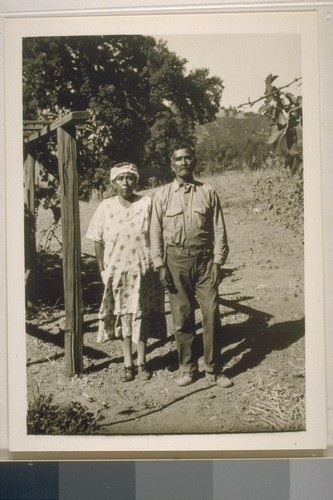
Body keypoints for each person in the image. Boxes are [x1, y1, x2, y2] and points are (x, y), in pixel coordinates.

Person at [150, 144, 233, 388]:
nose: (184, 162)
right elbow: (154, 232)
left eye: (188, 158)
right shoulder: (162, 195)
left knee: (211, 313)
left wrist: (219, 261)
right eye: (179, 159)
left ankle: (214, 369)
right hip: (176, 261)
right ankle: (187, 367)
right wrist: (160, 264)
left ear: (194, 162)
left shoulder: (208, 192)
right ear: (172, 164)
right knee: (182, 316)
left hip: (206, 261)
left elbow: (219, 229)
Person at [86, 162, 166, 382]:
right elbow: (97, 240)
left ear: (136, 181)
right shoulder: (106, 206)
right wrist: (102, 268)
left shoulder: (147, 203)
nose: (125, 183)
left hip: (144, 271)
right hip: (118, 272)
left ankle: (142, 362)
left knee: (142, 315)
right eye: (120, 179)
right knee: (124, 316)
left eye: (130, 178)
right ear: (113, 182)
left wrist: (158, 264)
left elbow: (158, 235)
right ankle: (127, 363)